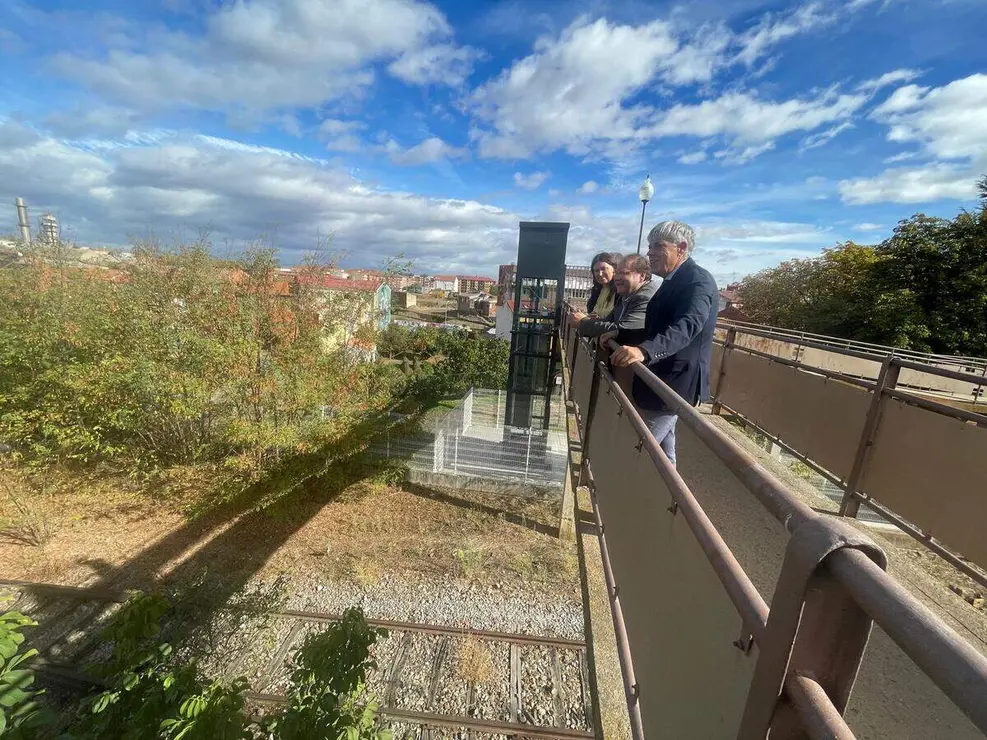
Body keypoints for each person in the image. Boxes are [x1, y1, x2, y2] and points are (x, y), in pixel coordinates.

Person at [611, 221, 718, 466]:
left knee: (638, 447)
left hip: (675, 380)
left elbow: (688, 325)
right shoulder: (672, 280)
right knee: (664, 450)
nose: (650, 252)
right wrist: (619, 335)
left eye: (658, 245)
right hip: (662, 378)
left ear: (681, 248)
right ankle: (666, 500)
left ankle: (629, 495)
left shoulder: (697, 281)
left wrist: (644, 351)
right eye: (649, 246)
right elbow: (655, 328)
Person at [575, 254, 657, 338]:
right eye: (617, 273)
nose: (617, 278)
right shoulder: (625, 295)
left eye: (623, 273)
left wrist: (582, 322)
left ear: (642, 276)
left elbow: (623, 330)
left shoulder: (645, 297)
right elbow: (610, 321)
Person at [570, 253, 620, 327]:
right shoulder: (597, 291)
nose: (600, 274)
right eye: (596, 271)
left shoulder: (620, 292)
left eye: (603, 268)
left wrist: (584, 320)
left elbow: (617, 323)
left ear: (614, 269)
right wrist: (586, 316)